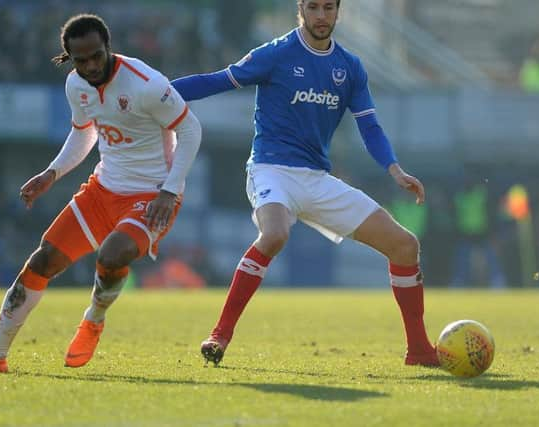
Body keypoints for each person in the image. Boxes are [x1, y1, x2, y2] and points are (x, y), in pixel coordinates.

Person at [172, 0, 438, 366]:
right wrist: (158, 93)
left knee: (405, 245)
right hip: (270, 170)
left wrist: (394, 169)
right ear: (301, 9)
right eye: (313, 7)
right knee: (275, 234)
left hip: (316, 179)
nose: (321, 16)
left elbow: (370, 127)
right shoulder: (276, 54)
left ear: (338, 11)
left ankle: (420, 351)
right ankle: (220, 334)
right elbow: (217, 80)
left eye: (328, 8)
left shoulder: (349, 67)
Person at [0, 14, 202, 373]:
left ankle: (93, 319)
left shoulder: (147, 84)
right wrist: (51, 173)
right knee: (42, 261)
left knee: (113, 253)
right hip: (102, 189)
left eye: (96, 56)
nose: (90, 66)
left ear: (108, 47)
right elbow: (84, 133)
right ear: (69, 57)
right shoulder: (77, 85)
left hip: (152, 194)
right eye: (80, 60)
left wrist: (169, 189)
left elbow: (191, 130)